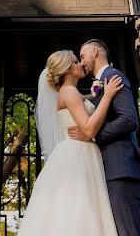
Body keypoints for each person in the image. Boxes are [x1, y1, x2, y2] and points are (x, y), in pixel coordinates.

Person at [18, 50, 124, 235]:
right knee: (81, 208)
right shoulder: (69, 91)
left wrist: (100, 87)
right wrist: (107, 97)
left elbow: (90, 99)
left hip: (79, 153)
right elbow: (89, 129)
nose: (81, 64)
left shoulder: (71, 92)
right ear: (67, 69)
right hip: (79, 155)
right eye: (76, 61)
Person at [68, 39, 140, 236]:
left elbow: (129, 120)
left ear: (95, 52)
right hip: (109, 171)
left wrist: (93, 135)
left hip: (121, 170)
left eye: (83, 56)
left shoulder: (113, 76)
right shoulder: (99, 84)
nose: (82, 63)